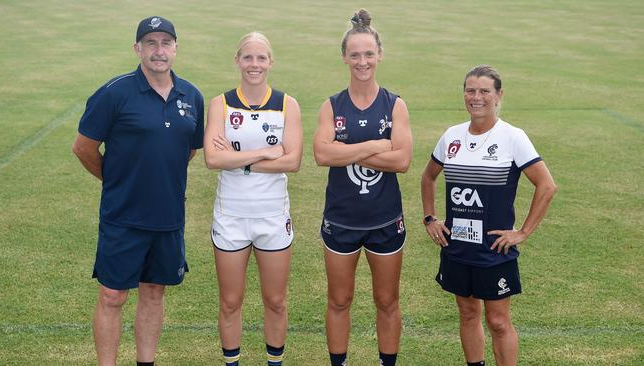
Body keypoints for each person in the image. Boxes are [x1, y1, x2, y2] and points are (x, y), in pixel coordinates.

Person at [72, 16, 204, 366]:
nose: (158, 51)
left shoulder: (191, 95)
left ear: (175, 48)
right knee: (113, 295)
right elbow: (83, 148)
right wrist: (116, 180)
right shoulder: (114, 92)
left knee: (154, 292)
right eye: (150, 43)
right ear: (138, 49)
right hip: (123, 217)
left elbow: (189, 149)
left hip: (168, 217)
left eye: (165, 43)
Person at [421, 65, 557, 366]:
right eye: (471, 90)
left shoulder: (512, 137)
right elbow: (428, 177)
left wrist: (522, 232)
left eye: (484, 91)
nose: (476, 97)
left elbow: (546, 185)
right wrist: (430, 219)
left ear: (498, 95)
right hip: (457, 248)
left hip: (494, 251)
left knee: (498, 322)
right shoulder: (451, 136)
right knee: (468, 313)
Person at [313, 9, 413, 366]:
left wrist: (348, 153)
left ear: (379, 55)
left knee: (387, 301)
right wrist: (376, 145)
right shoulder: (332, 105)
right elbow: (323, 154)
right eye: (355, 54)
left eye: (368, 54)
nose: (362, 61)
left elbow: (402, 161)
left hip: (385, 220)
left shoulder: (394, 104)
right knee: (339, 301)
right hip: (341, 219)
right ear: (344, 57)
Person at [204, 31, 302, 366]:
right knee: (230, 301)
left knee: (275, 300)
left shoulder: (288, 104)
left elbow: (293, 161)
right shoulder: (221, 103)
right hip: (231, 216)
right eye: (248, 57)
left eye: (261, 58)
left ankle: (275, 362)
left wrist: (239, 158)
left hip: (273, 217)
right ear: (237, 61)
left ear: (270, 62)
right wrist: (264, 153)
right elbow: (212, 160)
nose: (254, 64)